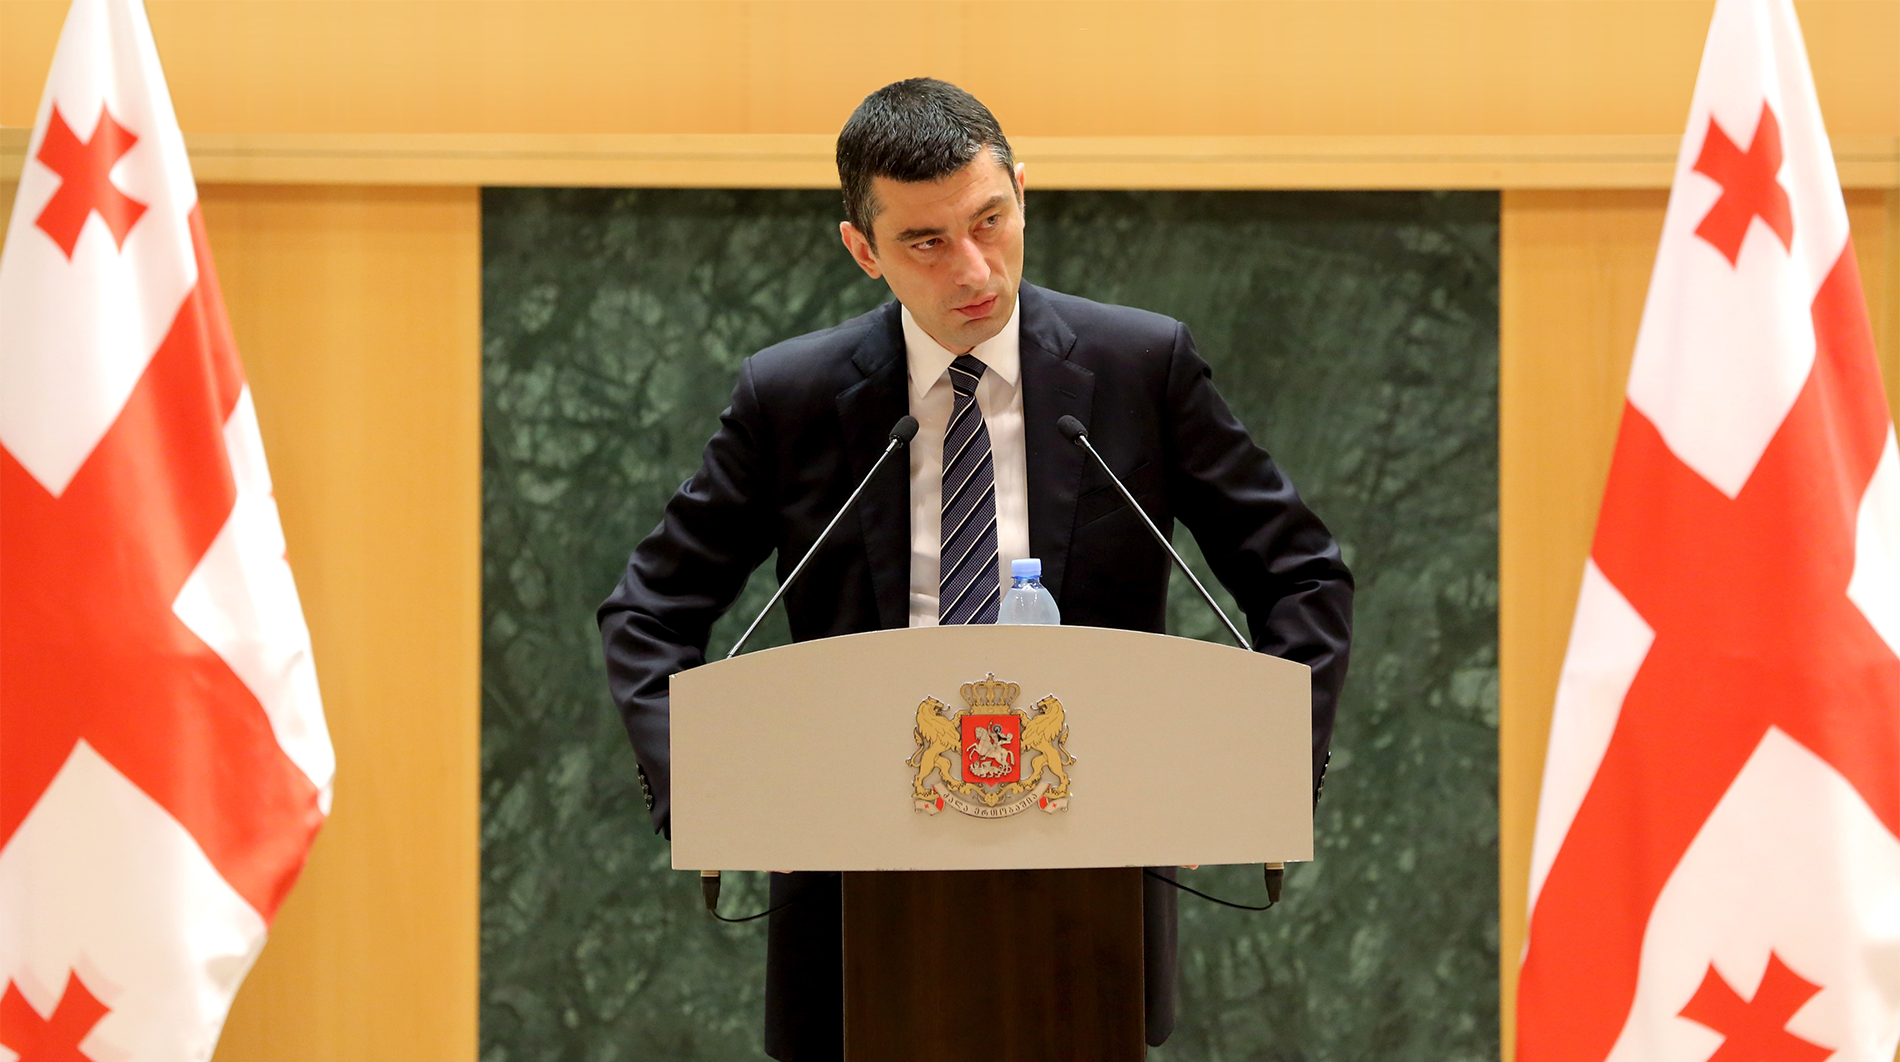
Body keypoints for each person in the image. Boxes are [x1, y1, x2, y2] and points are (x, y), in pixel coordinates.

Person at [598, 77, 1354, 1061]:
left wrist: (1250, 779)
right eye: (925, 242)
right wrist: (713, 794)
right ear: (862, 249)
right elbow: (649, 612)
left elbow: (1301, 575)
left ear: (1021, 192)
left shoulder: (1139, 366)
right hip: (852, 887)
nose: (974, 269)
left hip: (1093, 883)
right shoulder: (792, 398)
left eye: (990, 220)